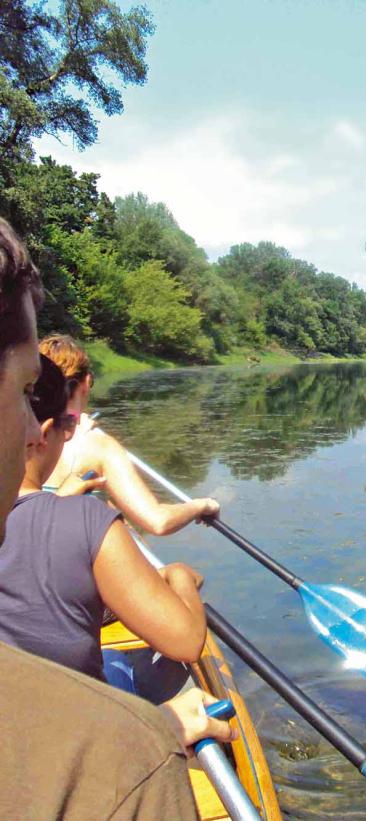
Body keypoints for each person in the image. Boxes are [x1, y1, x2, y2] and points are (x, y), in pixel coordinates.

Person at [0, 217, 236, 819]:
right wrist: (181, 574)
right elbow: (156, 529)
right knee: (137, 681)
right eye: (22, 393)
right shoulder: (89, 492)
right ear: (63, 420)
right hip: (85, 720)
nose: (32, 430)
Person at [0, 352, 207, 695]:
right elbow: (186, 643)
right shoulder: (87, 519)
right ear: (42, 433)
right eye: (67, 429)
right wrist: (180, 577)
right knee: (124, 670)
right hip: (76, 722)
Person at [41, 334, 220, 536]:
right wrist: (202, 505)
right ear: (87, 382)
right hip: (77, 559)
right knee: (177, 569)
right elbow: (158, 522)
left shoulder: (22, 436)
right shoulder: (98, 446)